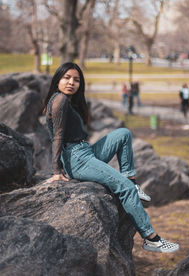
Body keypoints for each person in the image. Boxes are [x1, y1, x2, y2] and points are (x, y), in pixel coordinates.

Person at [43, 62, 179, 253]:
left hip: (85, 152)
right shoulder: (60, 101)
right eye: (66, 78)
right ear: (57, 79)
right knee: (124, 187)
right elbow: (57, 136)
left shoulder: (66, 100)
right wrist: (56, 171)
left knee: (123, 134)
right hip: (77, 158)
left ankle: (133, 181)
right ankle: (152, 239)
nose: (71, 82)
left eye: (76, 79)